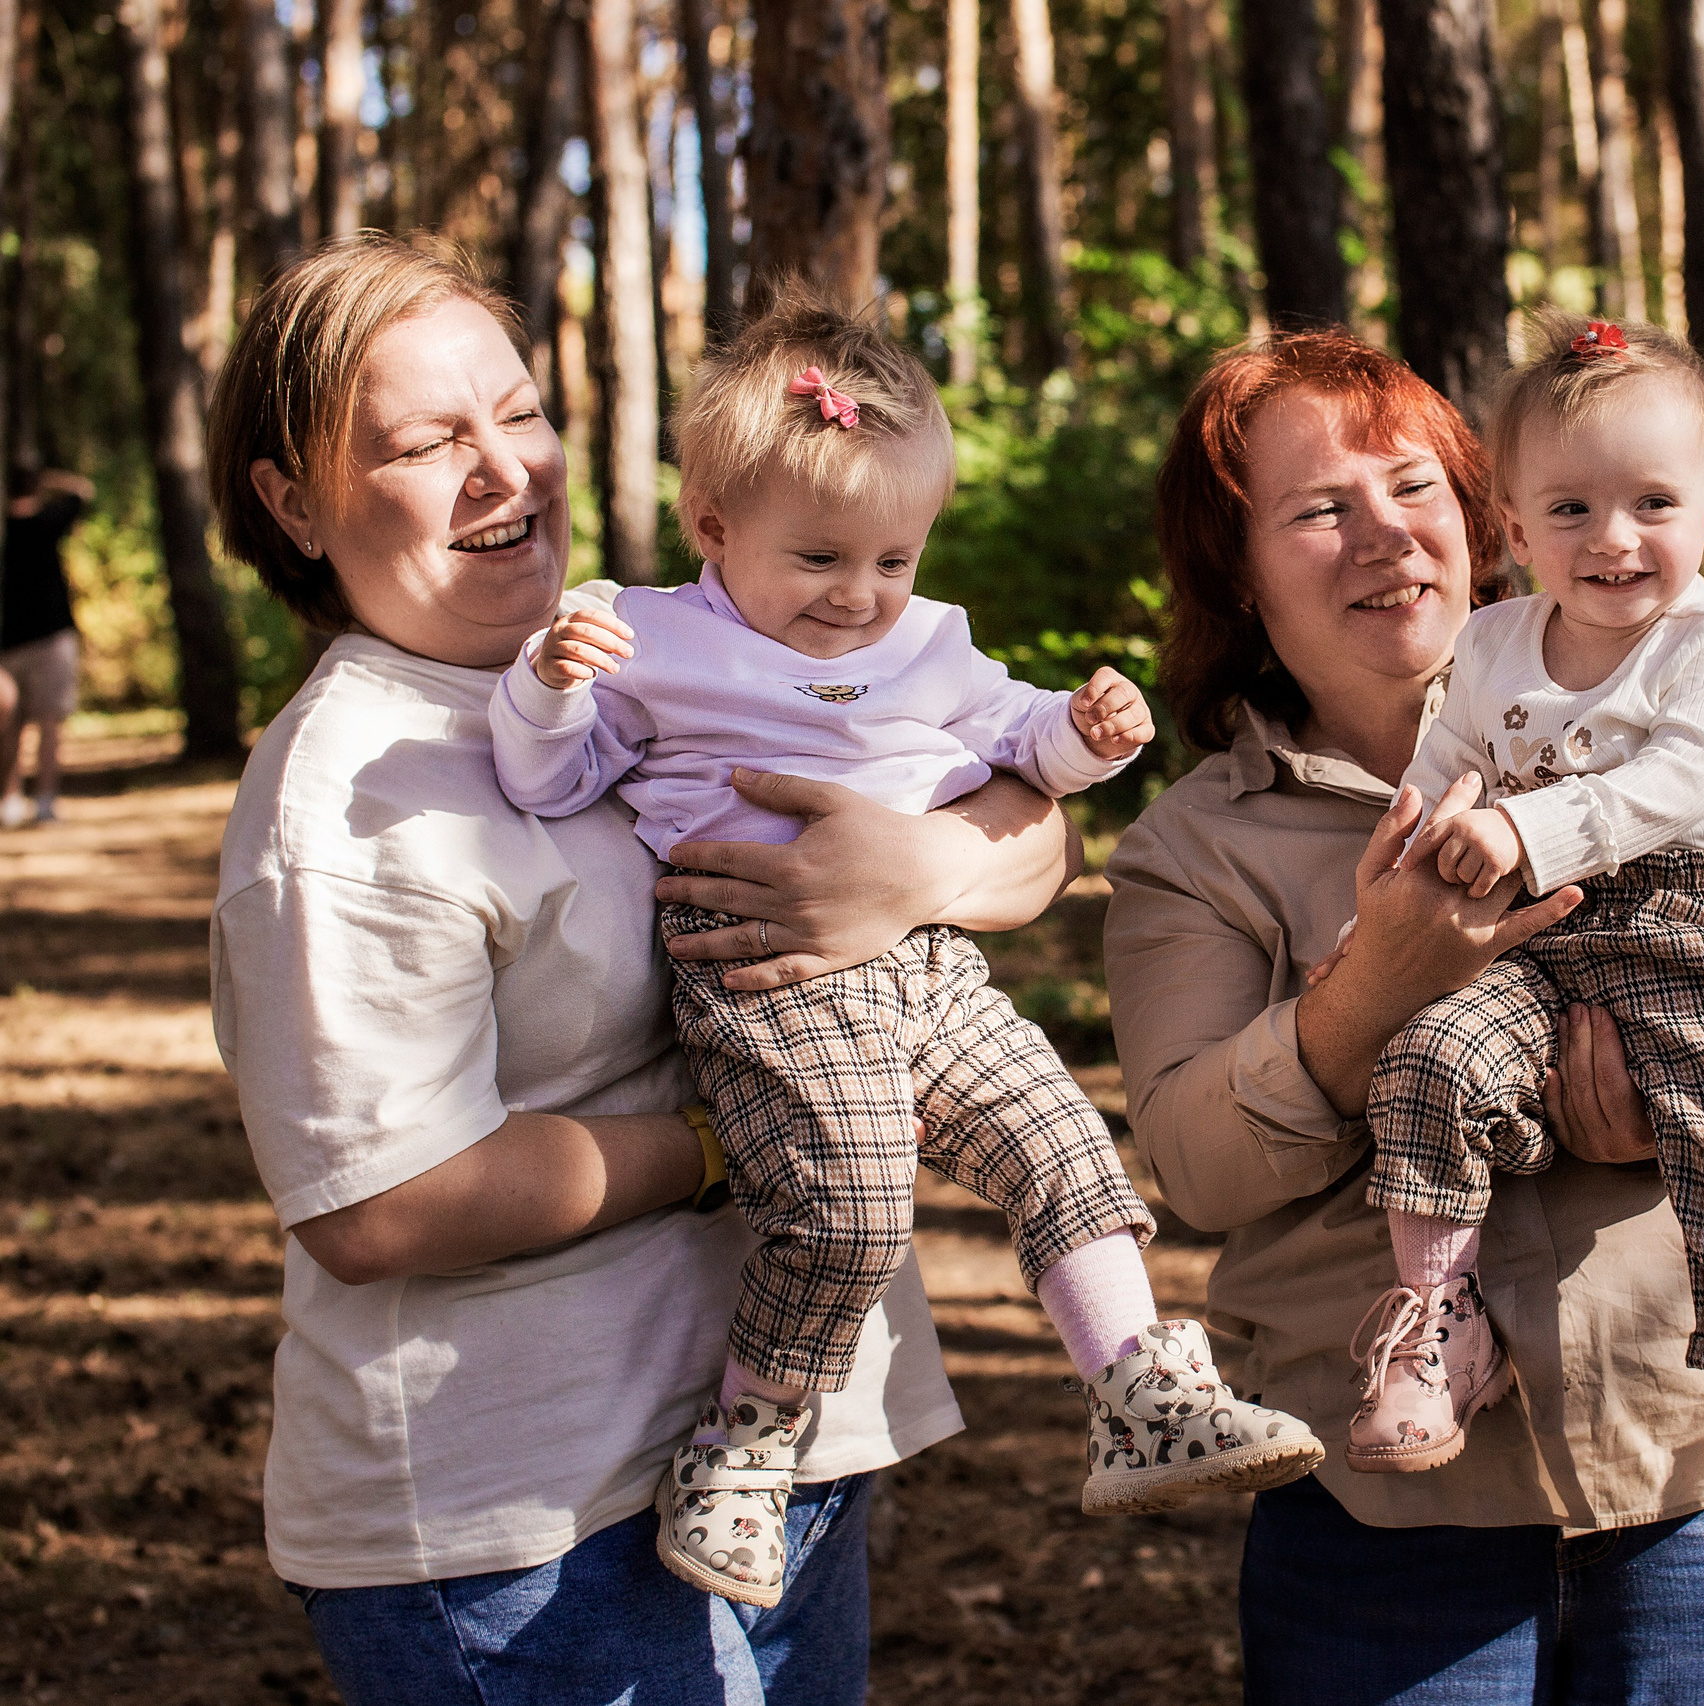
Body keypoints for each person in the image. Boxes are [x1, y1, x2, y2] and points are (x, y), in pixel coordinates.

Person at [203, 235, 1070, 1704]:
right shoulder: (345, 794)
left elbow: (1028, 832)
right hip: (531, 1526)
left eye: (518, 412)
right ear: (294, 500)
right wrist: (739, 1141)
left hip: (778, 1444)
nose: (503, 471)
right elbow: (379, 1199)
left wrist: (924, 871)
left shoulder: (665, 651)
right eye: (427, 442)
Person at [488, 291, 1320, 1606]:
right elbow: (550, 775)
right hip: (766, 961)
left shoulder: (929, 641)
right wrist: (545, 687)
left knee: (1064, 1141)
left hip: (931, 957)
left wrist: (1088, 734)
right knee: (852, 1201)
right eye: (821, 559)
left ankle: (1138, 1393)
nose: (862, 597)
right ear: (715, 528)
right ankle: (742, 1446)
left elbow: (1014, 742)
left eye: (894, 558)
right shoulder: (650, 635)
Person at [1105, 328, 1704, 1703]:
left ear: (1483, 523)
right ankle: (1438, 1327)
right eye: (1318, 509)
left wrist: (1694, 1092)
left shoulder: (1684, 717)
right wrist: (1379, 983)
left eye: (1413, 488)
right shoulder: (1193, 848)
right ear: (1238, 567)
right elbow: (1198, 1166)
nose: (1382, 538)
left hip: (1700, 1466)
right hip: (1386, 1530)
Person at [1329, 313, 1704, 1614]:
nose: (1613, 538)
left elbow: (1681, 778)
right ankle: (1439, 1324)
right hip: (1546, 935)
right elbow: (1439, 765)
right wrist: (1391, 895)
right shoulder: (1497, 643)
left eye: (1653, 503)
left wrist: (1527, 824)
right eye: (1570, 507)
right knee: (1433, 1054)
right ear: (1514, 527)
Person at [0, 465, 94, 827]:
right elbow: (83, 490)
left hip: (9, 643)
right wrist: (51, 477)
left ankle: (10, 799)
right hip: (53, 638)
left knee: (11, 726)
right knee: (50, 724)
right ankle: (44, 800)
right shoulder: (48, 521)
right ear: (35, 490)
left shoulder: (8, 532)